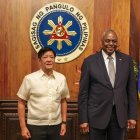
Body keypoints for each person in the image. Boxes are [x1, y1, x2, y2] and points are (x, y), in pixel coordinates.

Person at [78, 29, 138, 140]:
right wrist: (83, 119)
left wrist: (133, 116)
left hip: (119, 116)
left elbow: (132, 91)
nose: (111, 44)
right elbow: (83, 93)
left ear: (117, 43)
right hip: (96, 116)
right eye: (107, 41)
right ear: (102, 42)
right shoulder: (89, 62)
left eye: (114, 41)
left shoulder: (126, 60)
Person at [17, 47, 70, 140]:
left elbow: (63, 100)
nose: (49, 60)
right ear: (39, 60)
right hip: (35, 126)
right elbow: (21, 103)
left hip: (56, 126)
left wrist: (64, 123)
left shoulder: (61, 78)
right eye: (45, 57)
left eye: (52, 57)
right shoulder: (29, 79)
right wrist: (23, 127)